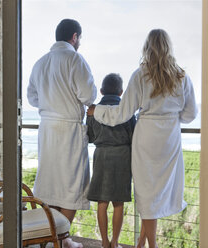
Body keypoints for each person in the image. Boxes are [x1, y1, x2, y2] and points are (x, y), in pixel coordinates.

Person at [87, 29, 197, 248]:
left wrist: (96, 111)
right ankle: (141, 244)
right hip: (169, 139)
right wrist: (171, 117)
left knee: (146, 195)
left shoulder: (140, 75)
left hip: (146, 137)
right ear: (168, 47)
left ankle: (150, 245)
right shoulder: (181, 76)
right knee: (157, 194)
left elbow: (122, 114)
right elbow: (190, 114)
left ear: (147, 47)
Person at [27, 19, 97, 248]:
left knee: (51, 185)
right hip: (68, 130)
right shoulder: (75, 59)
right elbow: (89, 96)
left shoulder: (40, 63)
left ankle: (54, 239)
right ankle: (60, 239)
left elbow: (32, 97)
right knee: (72, 187)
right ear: (75, 37)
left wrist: (50, 105)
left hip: (47, 129)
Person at [86, 73, 135, 248]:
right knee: (118, 202)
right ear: (121, 92)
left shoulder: (93, 110)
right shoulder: (126, 109)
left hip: (101, 155)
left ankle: (104, 242)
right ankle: (115, 242)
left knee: (102, 201)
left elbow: (90, 137)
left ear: (101, 90)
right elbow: (133, 135)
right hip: (122, 155)